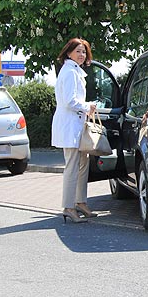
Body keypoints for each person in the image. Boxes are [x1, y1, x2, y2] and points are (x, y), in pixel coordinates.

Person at [51, 38, 98, 223]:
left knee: (82, 165)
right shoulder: (69, 72)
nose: (82, 55)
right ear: (69, 52)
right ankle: (68, 207)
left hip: (76, 126)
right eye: (78, 51)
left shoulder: (74, 71)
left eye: (84, 51)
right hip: (70, 126)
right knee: (72, 167)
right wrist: (88, 106)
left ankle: (81, 202)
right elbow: (70, 101)